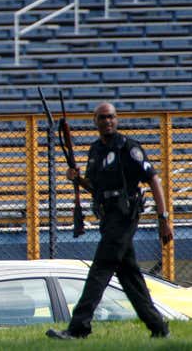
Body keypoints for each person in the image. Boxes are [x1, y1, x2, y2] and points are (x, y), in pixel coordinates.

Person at [47, 102, 173, 340]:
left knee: (101, 268)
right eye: (103, 118)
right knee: (129, 275)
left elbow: (154, 179)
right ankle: (158, 327)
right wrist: (77, 179)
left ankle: (78, 328)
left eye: (112, 117)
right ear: (95, 121)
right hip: (107, 216)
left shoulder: (129, 148)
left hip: (125, 215)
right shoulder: (95, 150)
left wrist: (163, 217)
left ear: (117, 119)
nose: (108, 121)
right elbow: (94, 187)